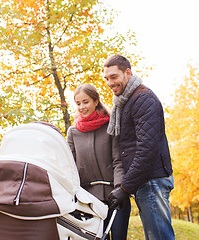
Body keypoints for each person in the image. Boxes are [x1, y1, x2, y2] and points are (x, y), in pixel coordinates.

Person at [104, 55, 175, 240]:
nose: (110, 83)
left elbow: (147, 149)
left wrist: (125, 188)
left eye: (114, 77)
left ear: (128, 73)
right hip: (145, 181)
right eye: (107, 79)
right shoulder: (126, 101)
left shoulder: (142, 99)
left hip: (152, 180)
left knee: (159, 237)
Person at [67, 83, 131, 240]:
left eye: (86, 101)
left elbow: (118, 161)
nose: (82, 106)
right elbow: (70, 167)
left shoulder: (110, 126)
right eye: (78, 103)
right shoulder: (73, 132)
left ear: (96, 101)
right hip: (87, 200)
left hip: (114, 196)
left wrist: (120, 189)